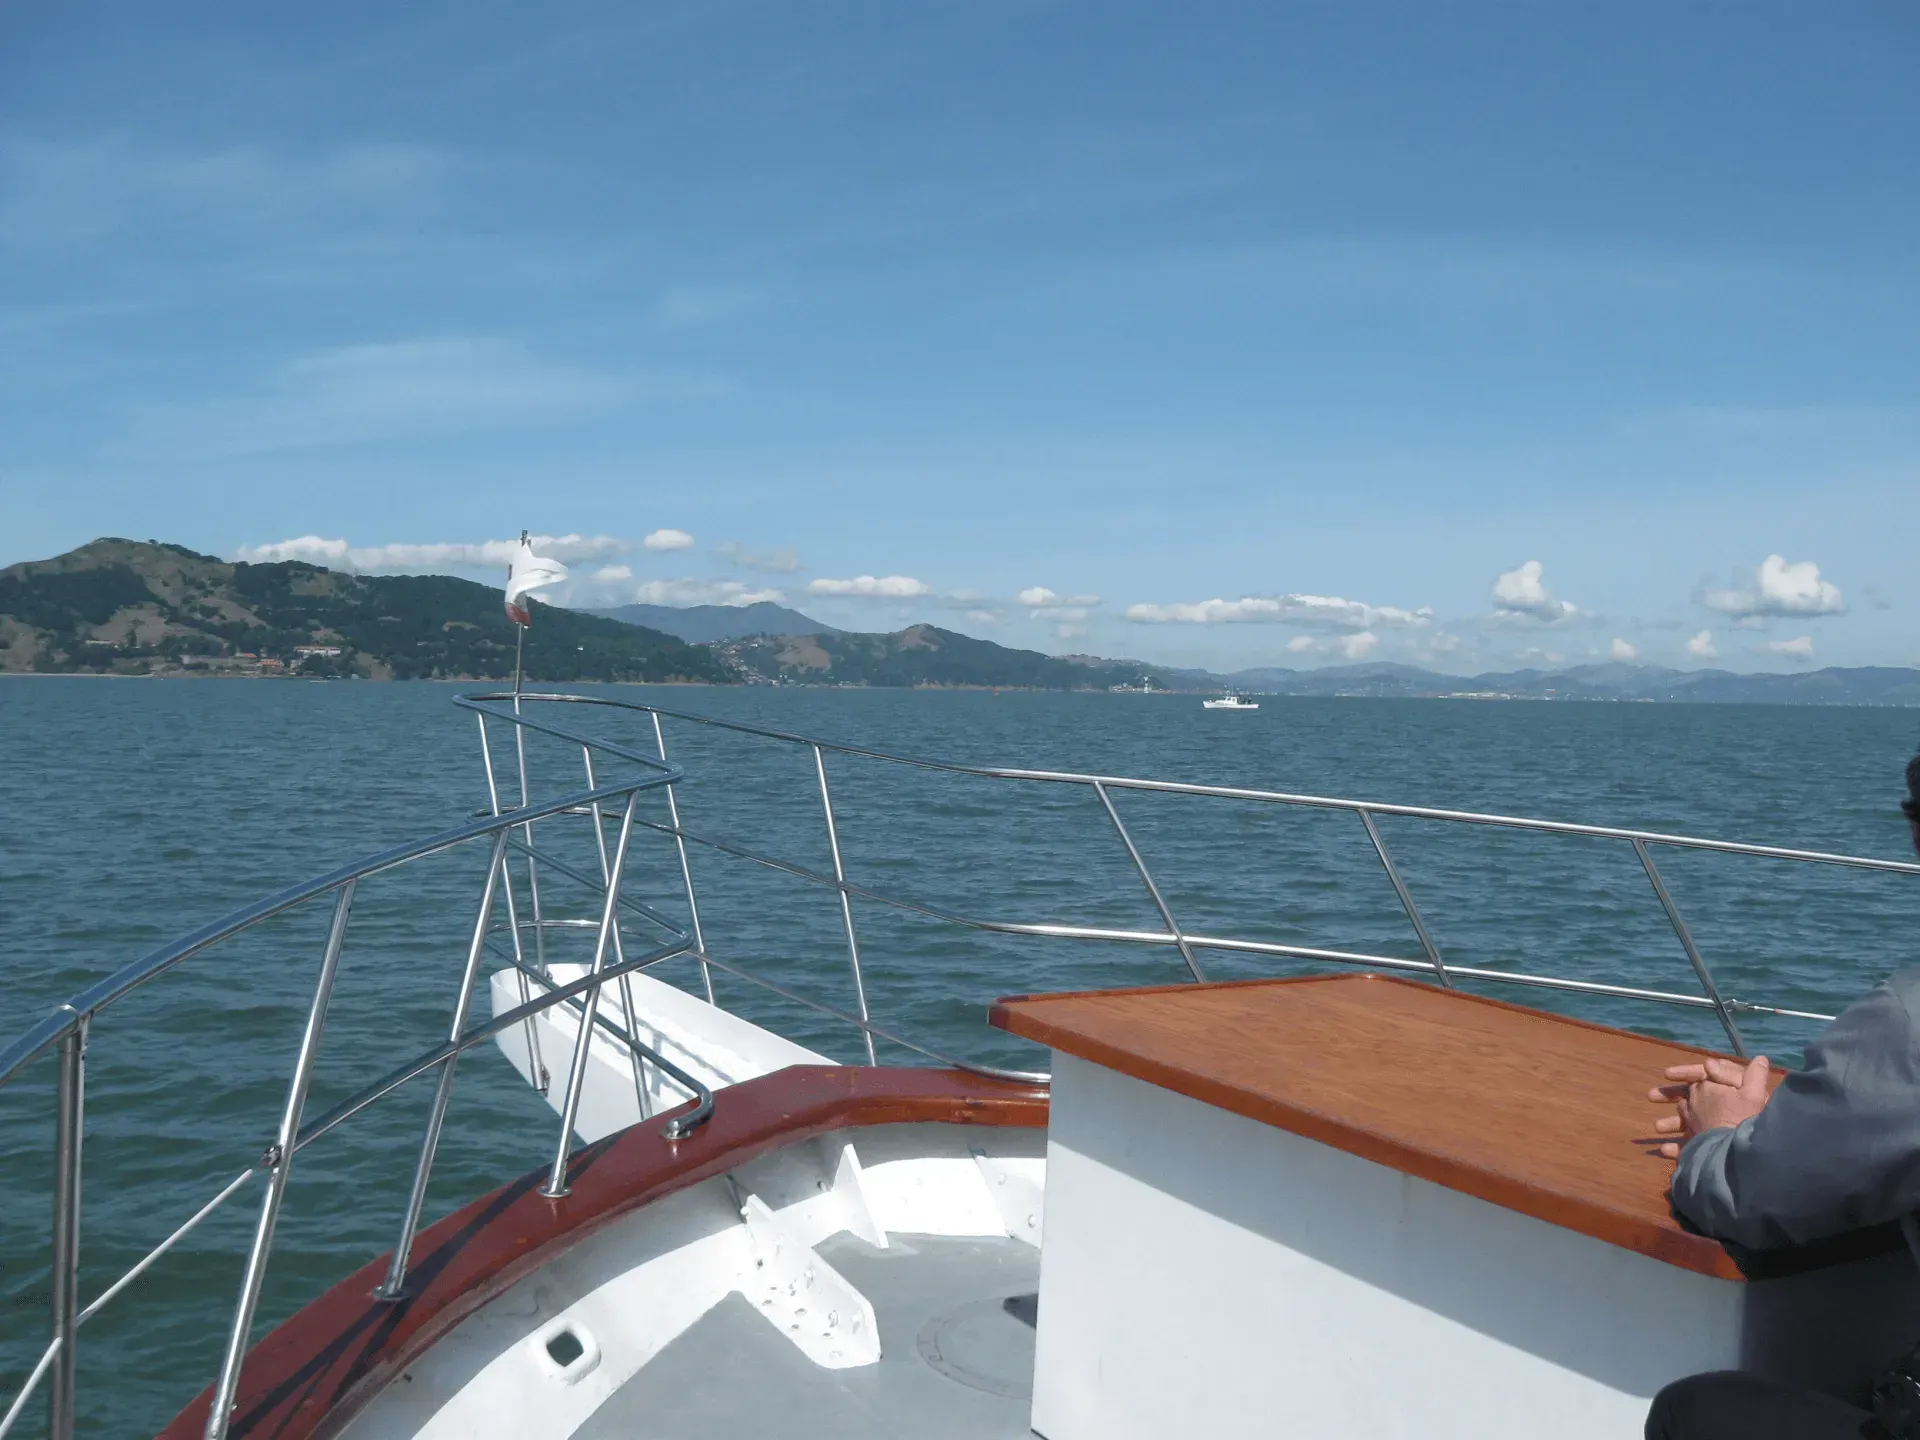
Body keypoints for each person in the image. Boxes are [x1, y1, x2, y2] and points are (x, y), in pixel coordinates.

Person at [1645, 751, 1920, 1440]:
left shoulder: (1911, 1022)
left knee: (1695, 1412)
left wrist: (1719, 1135)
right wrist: (1827, 1118)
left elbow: (1752, 1195)